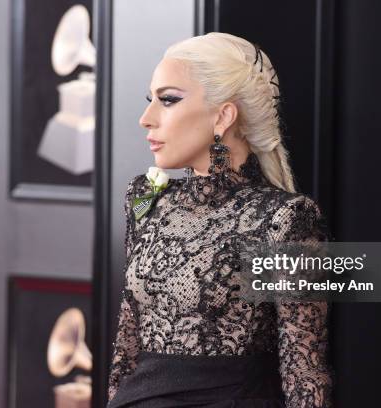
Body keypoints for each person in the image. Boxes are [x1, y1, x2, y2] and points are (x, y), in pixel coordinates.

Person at [106, 32, 334, 408]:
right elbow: (127, 338)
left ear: (223, 115)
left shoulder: (284, 218)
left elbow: (303, 368)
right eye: (152, 101)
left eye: (168, 100)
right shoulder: (146, 198)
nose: (146, 119)